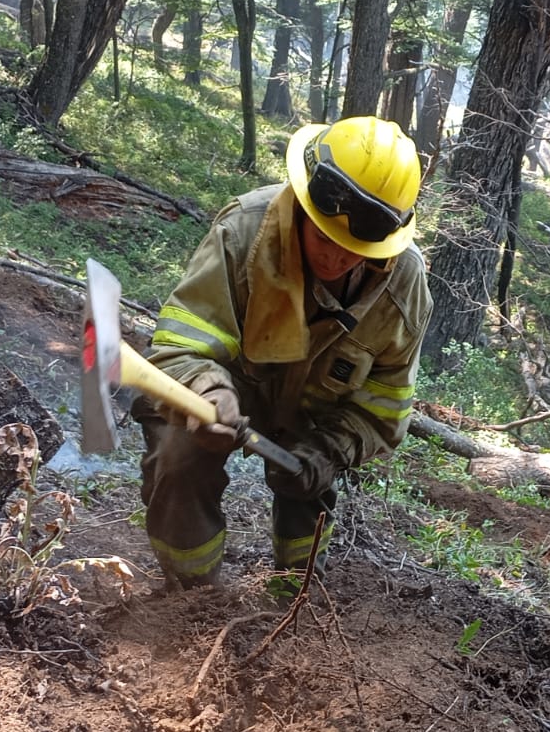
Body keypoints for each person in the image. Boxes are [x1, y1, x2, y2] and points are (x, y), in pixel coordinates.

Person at [135, 116, 431, 589]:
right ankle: (191, 599)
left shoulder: (404, 288)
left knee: (308, 493)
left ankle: (292, 600)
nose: (336, 259)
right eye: (324, 238)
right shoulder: (243, 231)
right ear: (303, 202)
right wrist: (207, 389)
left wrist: (329, 450)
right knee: (178, 457)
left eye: (354, 249)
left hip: (316, 418)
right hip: (230, 390)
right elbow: (181, 343)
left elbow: (385, 406)